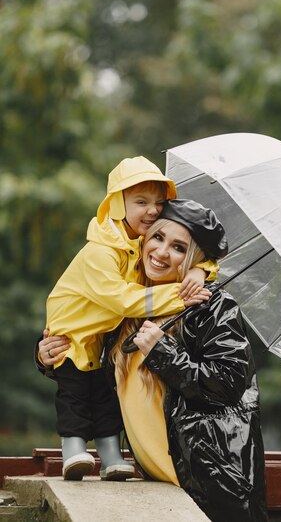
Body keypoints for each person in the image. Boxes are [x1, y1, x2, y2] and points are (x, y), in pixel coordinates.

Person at [40, 199, 268, 522]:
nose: (161, 253)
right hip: (153, 486)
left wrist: (163, 353)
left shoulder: (211, 307)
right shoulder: (127, 301)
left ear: (194, 260)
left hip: (208, 487)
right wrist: (46, 354)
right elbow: (86, 344)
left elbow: (229, 383)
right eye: (158, 238)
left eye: (178, 247)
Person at [42, 158, 216, 482]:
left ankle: (111, 458)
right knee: (75, 398)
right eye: (141, 202)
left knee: (106, 403)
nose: (152, 211)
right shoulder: (100, 252)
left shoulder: (140, 246)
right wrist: (182, 294)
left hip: (104, 345)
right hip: (73, 338)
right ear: (117, 204)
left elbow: (196, 254)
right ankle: (74, 451)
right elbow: (124, 301)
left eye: (159, 203)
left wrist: (200, 270)